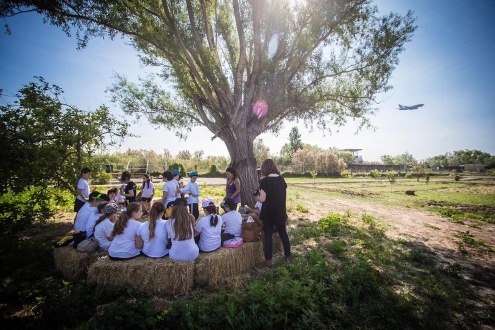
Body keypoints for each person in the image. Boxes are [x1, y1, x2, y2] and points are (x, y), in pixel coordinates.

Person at [255, 159, 291, 267]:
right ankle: (288, 255)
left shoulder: (265, 181)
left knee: (268, 236)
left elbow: (262, 199)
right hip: (280, 212)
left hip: (269, 213)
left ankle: (269, 260)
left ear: (265, 168)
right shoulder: (281, 179)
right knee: (283, 233)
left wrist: (256, 197)